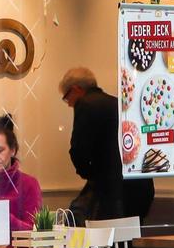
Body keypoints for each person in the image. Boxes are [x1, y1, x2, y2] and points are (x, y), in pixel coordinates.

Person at [60, 67, 153, 221]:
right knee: (127, 242)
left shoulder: (85, 104)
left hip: (113, 191)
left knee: (106, 240)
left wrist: (90, 174)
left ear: (76, 89)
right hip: (141, 187)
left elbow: (78, 150)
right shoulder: (117, 103)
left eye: (67, 97)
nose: (69, 103)